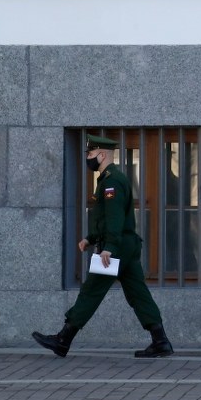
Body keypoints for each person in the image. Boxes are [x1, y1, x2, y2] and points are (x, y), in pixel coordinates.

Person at [32, 135, 173, 358]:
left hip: (116, 248)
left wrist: (109, 247)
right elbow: (106, 218)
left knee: (92, 289)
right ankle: (160, 341)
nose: (88, 158)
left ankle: (63, 340)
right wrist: (91, 238)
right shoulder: (111, 179)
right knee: (138, 293)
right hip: (126, 246)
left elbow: (115, 217)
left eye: (90, 154)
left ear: (102, 154)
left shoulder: (112, 181)